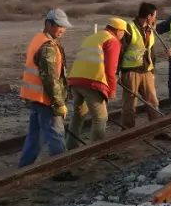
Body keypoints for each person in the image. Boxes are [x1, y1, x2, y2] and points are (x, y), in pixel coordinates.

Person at [18, 9, 72, 167]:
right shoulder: (47, 46)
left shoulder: (39, 39)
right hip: (45, 98)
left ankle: (24, 167)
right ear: (48, 24)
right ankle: (61, 170)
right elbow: (50, 78)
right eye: (59, 26)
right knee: (56, 134)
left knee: (35, 136)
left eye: (64, 26)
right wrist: (59, 103)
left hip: (35, 96)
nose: (62, 30)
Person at [66, 17, 126, 148]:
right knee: (101, 118)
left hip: (75, 80)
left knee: (78, 115)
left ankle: (70, 146)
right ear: (118, 30)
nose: (123, 36)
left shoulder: (93, 37)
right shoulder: (112, 41)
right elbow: (111, 69)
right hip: (92, 83)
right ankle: (97, 150)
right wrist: (112, 89)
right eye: (123, 32)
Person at [119, 2, 158, 128]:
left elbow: (151, 51)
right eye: (154, 16)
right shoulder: (129, 28)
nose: (155, 19)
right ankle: (127, 132)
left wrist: (153, 71)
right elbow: (119, 52)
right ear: (148, 16)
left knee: (153, 102)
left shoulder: (150, 30)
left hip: (147, 71)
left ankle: (158, 129)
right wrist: (116, 73)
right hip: (131, 72)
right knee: (129, 105)